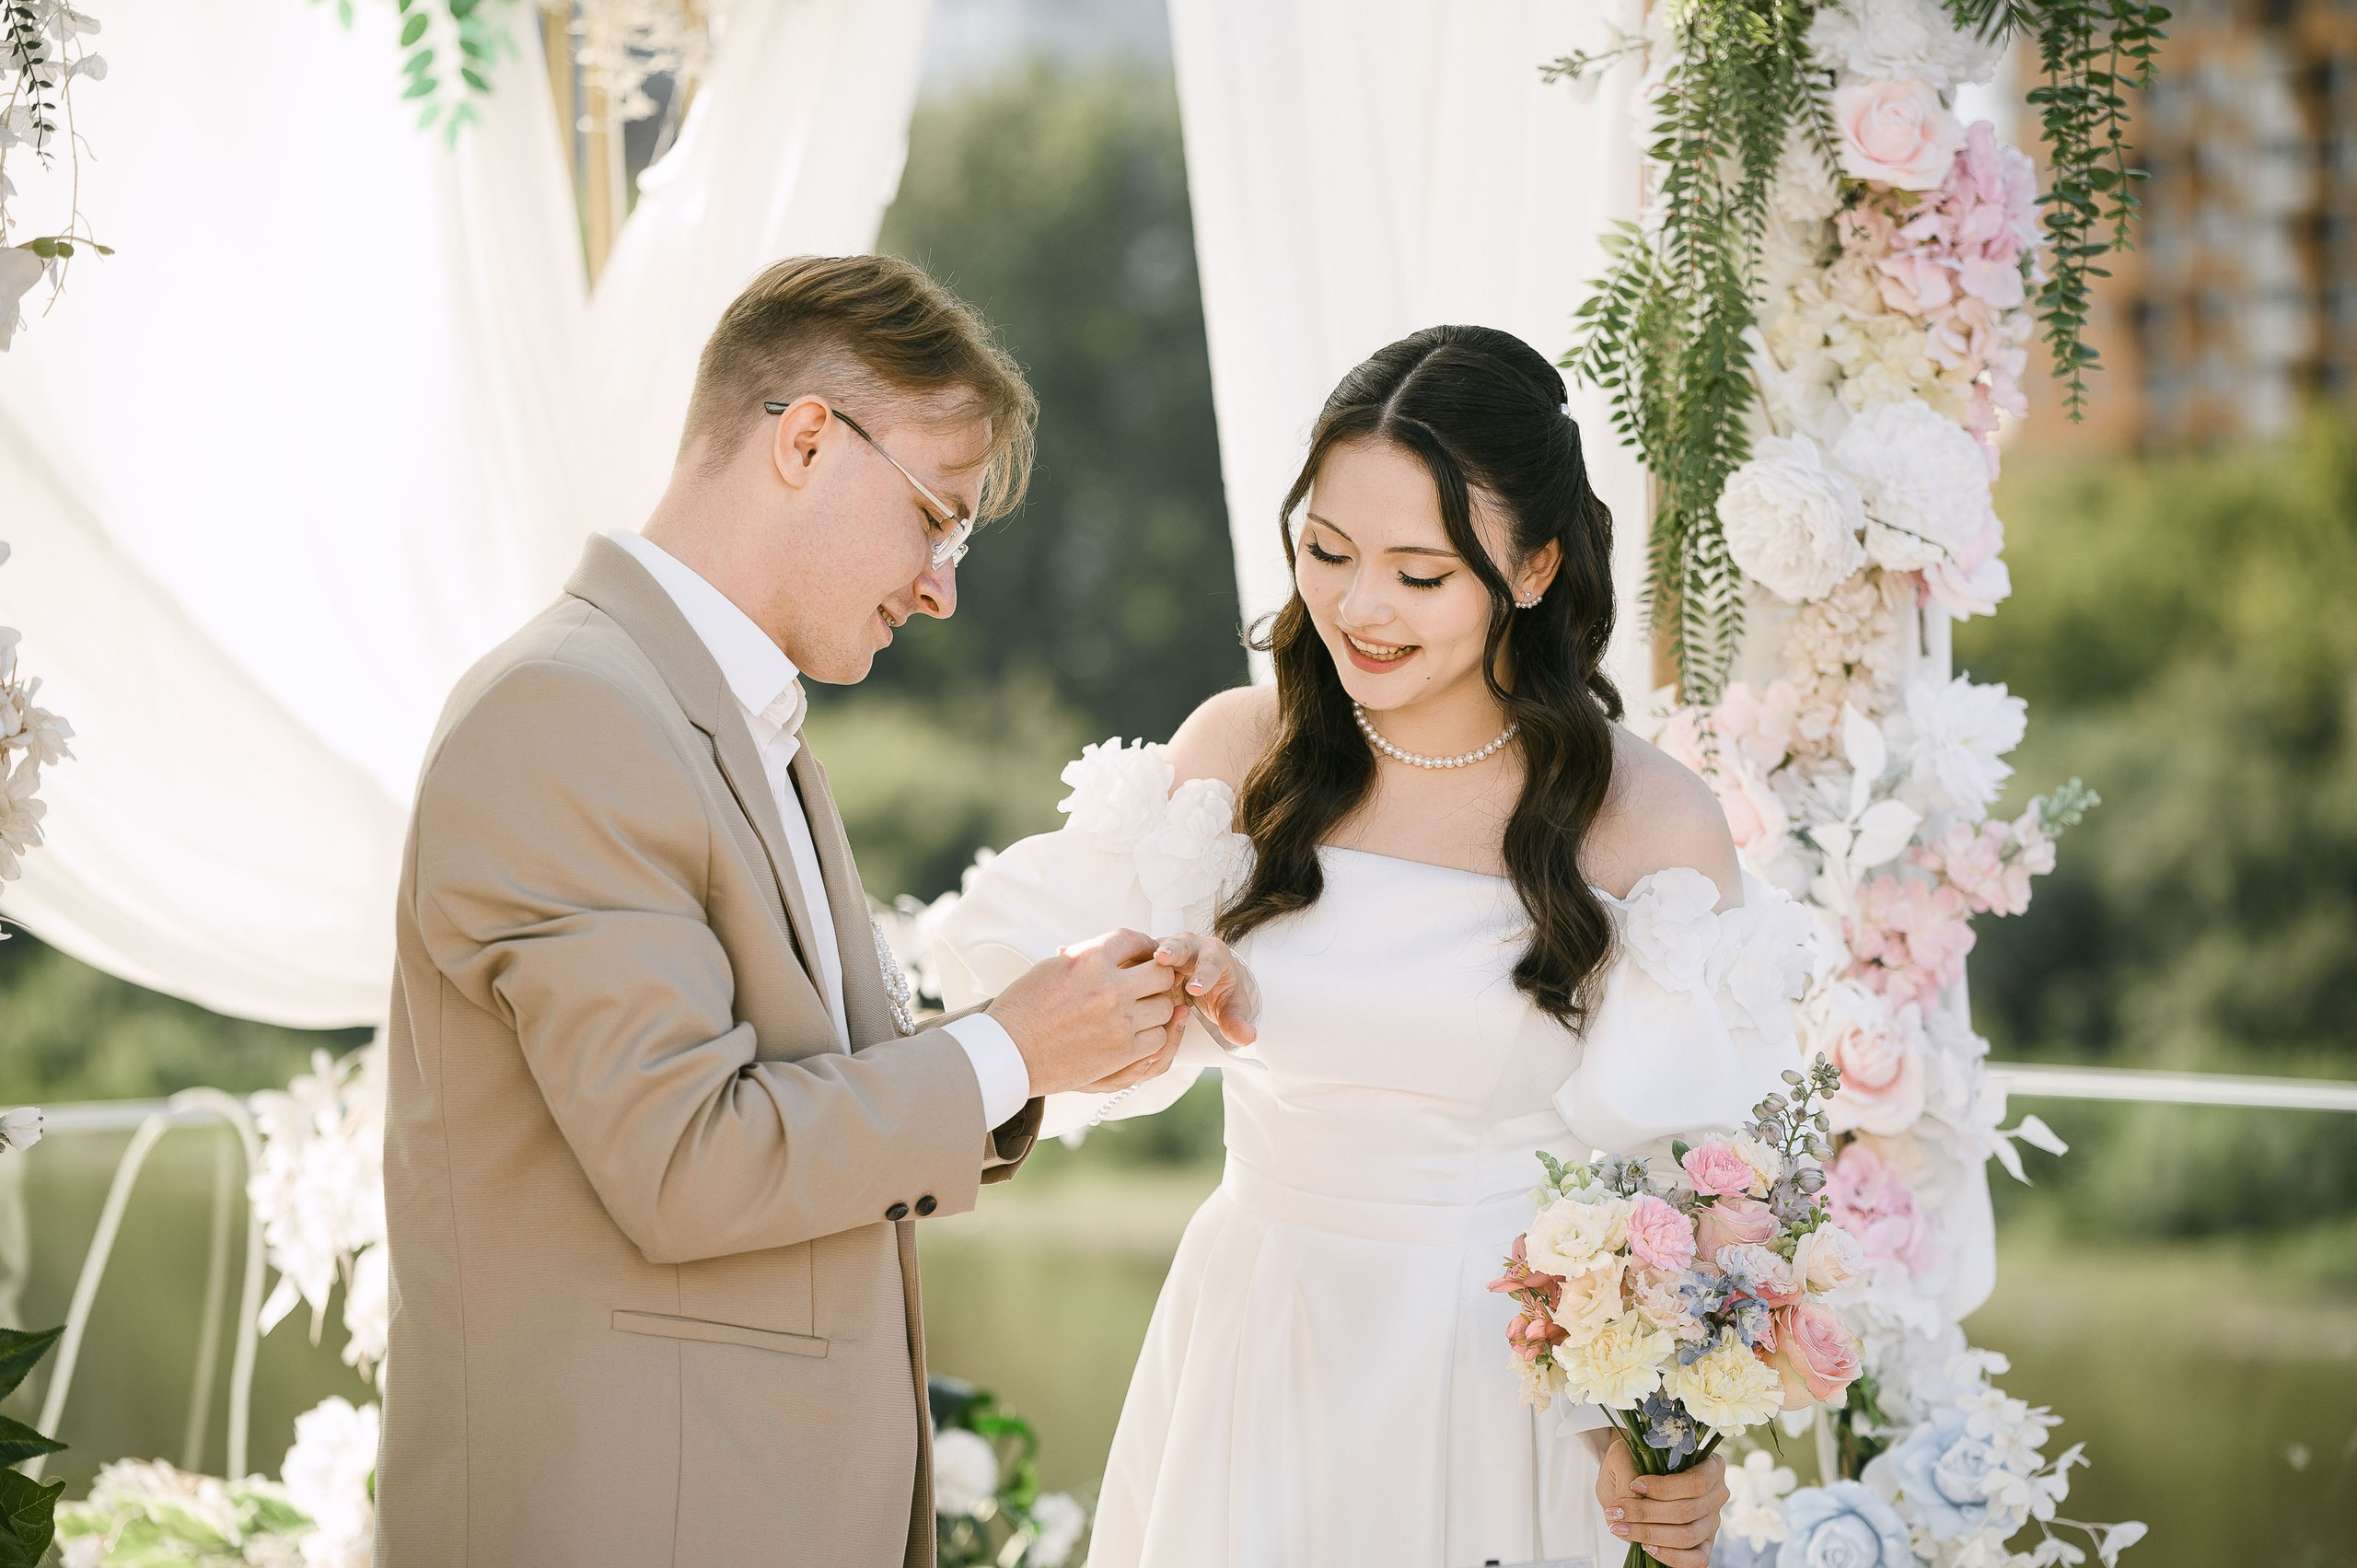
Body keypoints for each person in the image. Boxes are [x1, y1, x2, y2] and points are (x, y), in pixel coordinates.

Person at [374, 255, 1213, 1568]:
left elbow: (794, 1083)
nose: (943, 584)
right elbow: (688, 1161)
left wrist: (1046, 1031)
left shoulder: (732, 723)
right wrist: (1011, 1049)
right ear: (808, 440)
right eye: (938, 516)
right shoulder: (569, 713)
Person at [935, 325, 1815, 1567]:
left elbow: (1708, 1181)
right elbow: (1072, 1014)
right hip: (1262, 1326)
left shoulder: (1645, 818)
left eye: (1420, 572)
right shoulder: (1242, 752)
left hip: (1503, 1374)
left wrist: (1672, 1429)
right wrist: (1179, 995)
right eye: (1328, 551)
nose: (1357, 608)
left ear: (1533, 567)